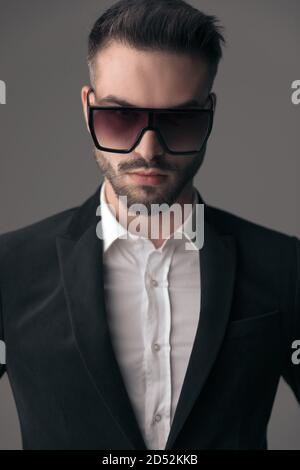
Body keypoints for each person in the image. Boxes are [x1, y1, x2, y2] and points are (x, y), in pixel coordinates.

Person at [0, 0, 299, 450]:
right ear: (88, 109)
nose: (149, 149)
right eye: (122, 117)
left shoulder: (285, 265)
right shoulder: (10, 267)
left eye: (178, 119)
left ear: (209, 114)